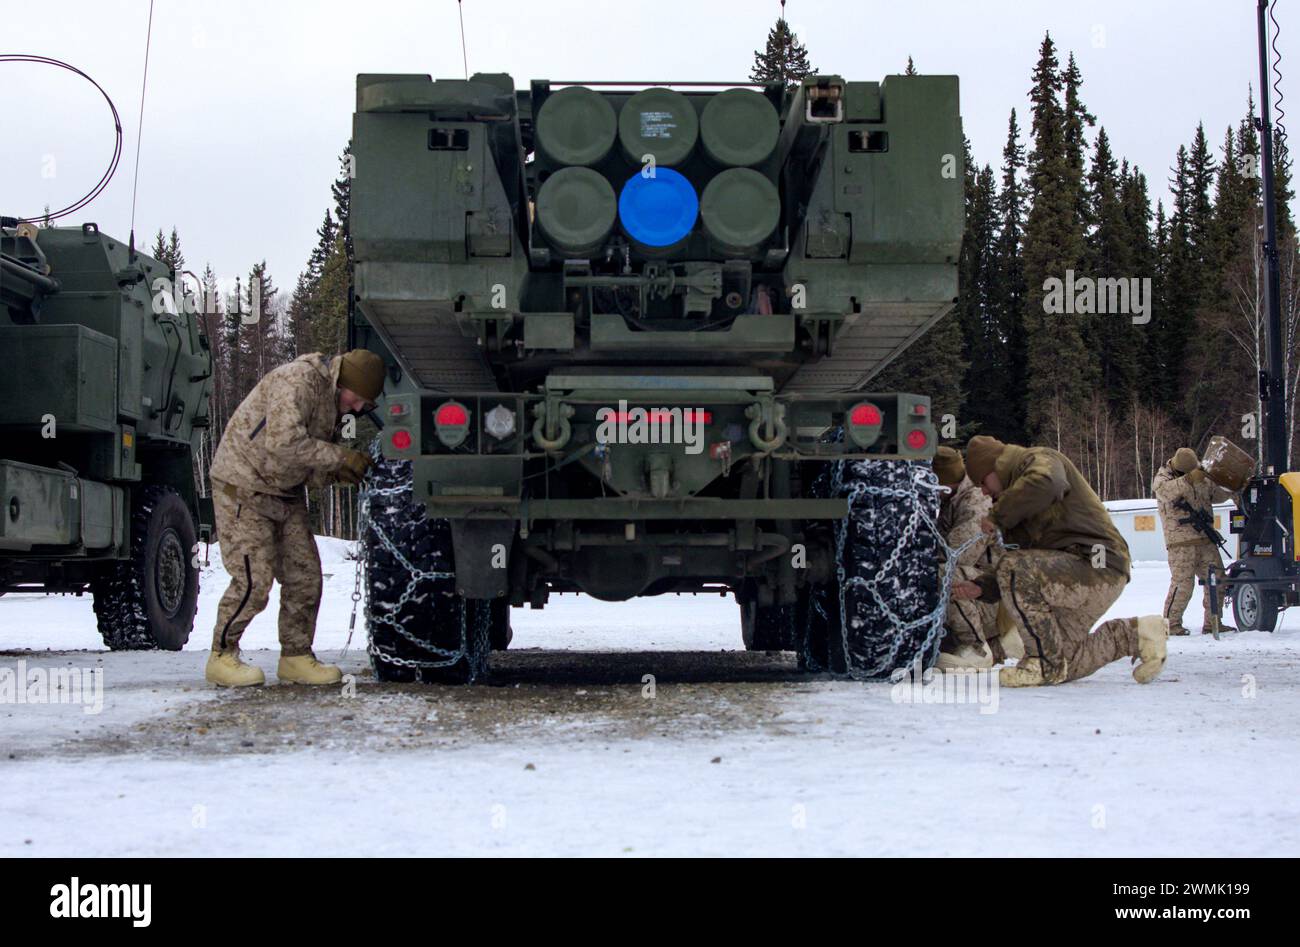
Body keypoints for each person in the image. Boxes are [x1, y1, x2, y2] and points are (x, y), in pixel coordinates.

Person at [204, 350, 384, 688]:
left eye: (365, 404)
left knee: (305, 576)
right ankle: (221, 656)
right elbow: (284, 443)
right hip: (244, 486)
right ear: (342, 382)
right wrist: (340, 458)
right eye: (357, 398)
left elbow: (310, 463)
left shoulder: (332, 401)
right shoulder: (298, 381)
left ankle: (296, 657)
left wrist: (341, 472)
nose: (358, 408)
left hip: (285, 492)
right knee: (253, 581)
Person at [951, 435, 1168, 687]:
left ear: (996, 467)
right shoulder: (1021, 504)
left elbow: (1048, 483)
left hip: (1096, 563)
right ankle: (1137, 635)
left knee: (1014, 568)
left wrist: (999, 515)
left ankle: (1042, 663)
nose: (984, 491)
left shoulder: (1038, 459)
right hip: (1080, 574)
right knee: (1063, 662)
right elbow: (1027, 568)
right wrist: (983, 587)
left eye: (983, 482)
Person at [931, 446, 1022, 670]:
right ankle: (998, 646)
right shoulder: (952, 500)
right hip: (986, 596)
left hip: (992, 597)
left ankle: (976, 649)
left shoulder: (975, 503)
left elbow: (958, 555)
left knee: (945, 574)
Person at [1152, 448, 1236, 635]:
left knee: (1218, 580)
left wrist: (1229, 484)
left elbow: (1218, 495)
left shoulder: (1200, 475)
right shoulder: (1163, 478)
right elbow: (1165, 492)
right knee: (1183, 585)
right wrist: (1189, 479)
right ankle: (1171, 624)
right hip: (1180, 543)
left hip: (1205, 539)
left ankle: (1213, 622)